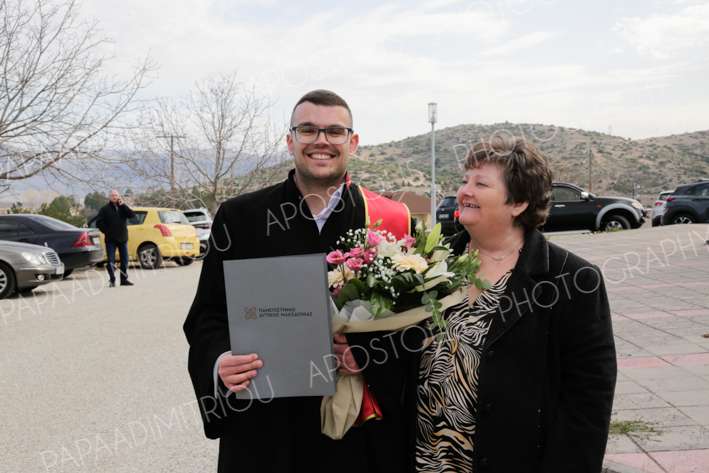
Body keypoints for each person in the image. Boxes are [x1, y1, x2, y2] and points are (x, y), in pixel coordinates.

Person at [183, 90, 413, 473]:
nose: (321, 141)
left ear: (353, 142)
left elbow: (417, 329)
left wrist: (367, 354)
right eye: (307, 130)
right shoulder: (240, 218)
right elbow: (207, 315)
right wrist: (221, 360)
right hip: (266, 429)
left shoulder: (389, 222)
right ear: (290, 141)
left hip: (355, 432)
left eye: (334, 131)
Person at [410, 136, 617, 472]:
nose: (464, 191)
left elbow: (588, 399)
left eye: (480, 183)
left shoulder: (571, 279)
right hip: (426, 461)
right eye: (465, 180)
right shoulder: (428, 263)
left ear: (518, 202)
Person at [95, 189, 135, 287]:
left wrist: (124, 205)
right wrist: (107, 231)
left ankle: (124, 280)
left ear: (119, 196)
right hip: (110, 239)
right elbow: (98, 223)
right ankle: (112, 280)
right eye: (112, 195)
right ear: (109, 197)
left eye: (116, 195)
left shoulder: (122, 207)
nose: (114, 197)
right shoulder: (104, 209)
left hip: (123, 238)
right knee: (111, 261)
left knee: (125, 261)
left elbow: (132, 215)